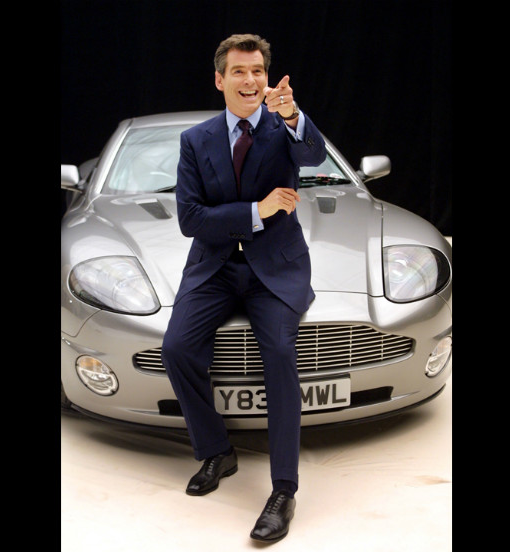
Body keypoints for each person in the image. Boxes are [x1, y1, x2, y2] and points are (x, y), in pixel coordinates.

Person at [161, 33, 325, 543]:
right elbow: (190, 219)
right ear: (220, 79)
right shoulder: (196, 140)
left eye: (258, 71)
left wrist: (295, 116)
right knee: (177, 347)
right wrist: (258, 211)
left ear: (267, 78)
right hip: (213, 266)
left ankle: (283, 490)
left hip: (274, 267)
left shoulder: (284, 126)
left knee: (278, 350)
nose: (250, 80)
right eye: (239, 71)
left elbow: (315, 155)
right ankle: (217, 451)